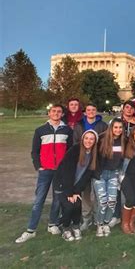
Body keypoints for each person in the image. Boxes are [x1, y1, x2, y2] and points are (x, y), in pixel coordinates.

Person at [16, 104, 74, 244]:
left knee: (57, 200)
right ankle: (31, 229)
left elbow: (71, 150)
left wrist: (66, 167)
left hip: (60, 171)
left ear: (62, 114)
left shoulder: (67, 130)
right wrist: (38, 166)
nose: (56, 113)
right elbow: (35, 151)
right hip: (45, 170)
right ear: (49, 113)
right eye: (53, 111)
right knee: (39, 200)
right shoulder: (40, 130)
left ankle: (52, 224)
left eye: (59, 111)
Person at [53, 130, 98, 241]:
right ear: (82, 139)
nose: (88, 141)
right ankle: (66, 228)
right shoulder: (75, 149)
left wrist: (76, 191)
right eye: (86, 138)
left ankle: (76, 226)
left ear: (95, 141)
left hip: (76, 186)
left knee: (77, 205)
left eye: (91, 139)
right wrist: (69, 192)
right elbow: (67, 171)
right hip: (63, 183)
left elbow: (86, 176)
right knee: (68, 207)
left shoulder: (93, 154)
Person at [93, 118, 125, 237]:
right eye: (115, 127)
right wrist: (95, 172)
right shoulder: (101, 139)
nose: (118, 130)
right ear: (111, 127)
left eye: (120, 127)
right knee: (103, 201)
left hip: (114, 174)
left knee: (112, 201)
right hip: (100, 174)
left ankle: (106, 223)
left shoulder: (123, 140)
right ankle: (99, 224)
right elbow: (94, 156)